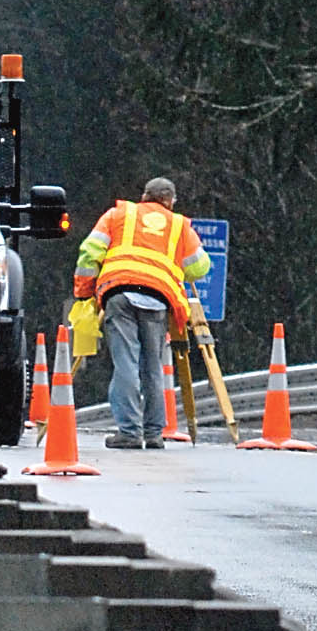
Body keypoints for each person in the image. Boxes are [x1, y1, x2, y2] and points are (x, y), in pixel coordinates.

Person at [73, 177, 211, 448]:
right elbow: (199, 267)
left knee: (126, 361)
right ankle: (153, 433)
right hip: (158, 298)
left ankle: (129, 431)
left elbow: (89, 253)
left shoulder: (118, 214)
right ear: (170, 201)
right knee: (153, 367)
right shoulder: (179, 226)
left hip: (119, 292)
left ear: (144, 196)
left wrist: (84, 293)